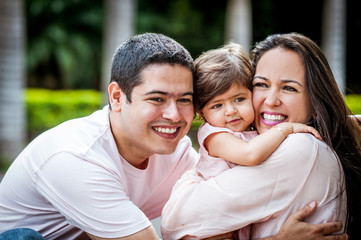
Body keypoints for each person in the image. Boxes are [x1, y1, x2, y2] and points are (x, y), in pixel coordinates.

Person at [0, 32, 347, 240]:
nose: (174, 115)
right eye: (157, 99)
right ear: (117, 97)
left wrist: (334, 119)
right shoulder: (76, 158)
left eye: (184, 100)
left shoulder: (180, 154)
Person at [161, 33, 361, 239]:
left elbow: (175, 221)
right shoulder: (284, 138)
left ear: (316, 103)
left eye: (289, 88)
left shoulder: (301, 147)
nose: (271, 100)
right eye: (262, 85)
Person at [193, 42, 321, 181]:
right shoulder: (214, 136)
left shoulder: (253, 129)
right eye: (217, 106)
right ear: (202, 113)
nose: (230, 111)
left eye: (239, 99)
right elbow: (250, 154)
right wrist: (285, 129)